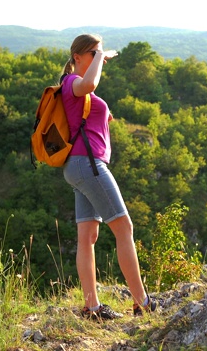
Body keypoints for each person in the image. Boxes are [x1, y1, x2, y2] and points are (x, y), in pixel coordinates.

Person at [60, 34, 157, 320]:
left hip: (80, 166)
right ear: (77, 57)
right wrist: (102, 56)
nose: (98, 56)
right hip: (88, 165)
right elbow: (88, 83)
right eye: (93, 53)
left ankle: (92, 309)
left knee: (88, 236)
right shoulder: (72, 83)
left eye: (99, 53)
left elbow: (85, 110)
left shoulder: (81, 93)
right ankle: (143, 302)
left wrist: (103, 116)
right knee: (124, 227)